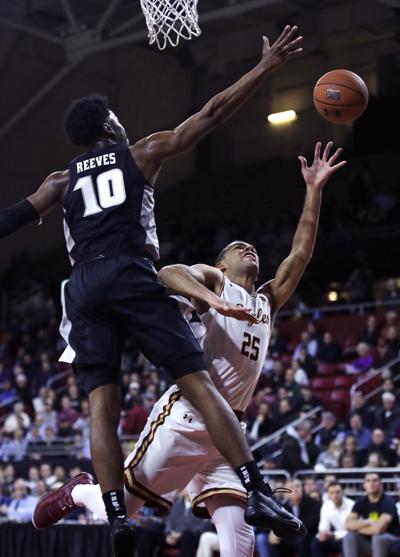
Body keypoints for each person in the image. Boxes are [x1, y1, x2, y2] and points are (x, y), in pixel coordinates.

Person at [2, 25, 304, 555]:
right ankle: (257, 487)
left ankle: (117, 517)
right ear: (109, 125)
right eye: (117, 118)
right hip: (128, 270)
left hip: (82, 286)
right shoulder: (141, 152)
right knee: (196, 381)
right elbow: (211, 114)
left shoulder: (59, 180)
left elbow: (12, 218)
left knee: (101, 404)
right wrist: (263, 68)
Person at [34, 141, 346, 556]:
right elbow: (168, 272)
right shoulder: (216, 282)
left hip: (229, 433)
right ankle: (78, 492)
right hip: (186, 417)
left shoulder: (267, 301)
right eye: (237, 247)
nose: (248, 248)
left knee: (239, 534)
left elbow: (301, 253)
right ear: (221, 265)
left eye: (251, 247)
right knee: (122, 508)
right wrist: (213, 300)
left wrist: (314, 190)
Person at [343, 472, 400, 557]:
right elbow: (347, 525)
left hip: (391, 541)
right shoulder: (361, 501)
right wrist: (367, 522)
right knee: (350, 537)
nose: (371, 484)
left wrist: (356, 528)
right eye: (368, 481)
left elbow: (378, 529)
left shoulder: (388, 502)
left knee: (378, 538)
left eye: (374, 480)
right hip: (369, 541)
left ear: (381, 484)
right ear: (364, 485)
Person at [267, 479, 321, 557]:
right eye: (291, 487)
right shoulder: (283, 507)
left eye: (297, 486)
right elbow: (277, 523)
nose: (295, 489)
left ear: (302, 489)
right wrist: (274, 532)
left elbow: (310, 524)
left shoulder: (313, 503)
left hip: (307, 537)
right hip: (290, 538)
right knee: (274, 540)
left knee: (301, 538)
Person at [311, 481, 354, 557]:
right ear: (328, 494)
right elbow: (323, 527)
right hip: (334, 538)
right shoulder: (326, 506)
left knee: (347, 543)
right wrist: (324, 533)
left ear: (343, 493)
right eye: (332, 493)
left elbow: (352, 530)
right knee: (316, 543)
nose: (335, 495)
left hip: (349, 538)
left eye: (337, 492)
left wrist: (333, 535)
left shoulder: (352, 505)